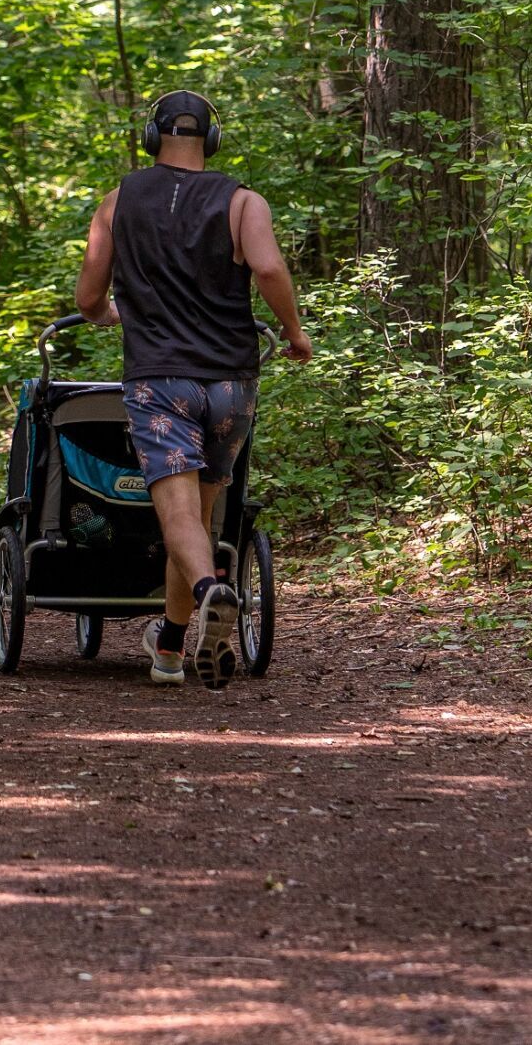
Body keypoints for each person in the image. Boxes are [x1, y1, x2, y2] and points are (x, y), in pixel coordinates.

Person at [72, 90, 311, 690]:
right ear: (213, 138)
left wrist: (107, 316)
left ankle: (211, 591)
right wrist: (293, 331)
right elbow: (270, 269)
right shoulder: (243, 202)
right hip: (231, 382)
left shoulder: (117, 202)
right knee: (200, 517)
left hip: (159, 381)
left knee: (176, 512)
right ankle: (172, 649)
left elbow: (87, 299)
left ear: (152, 138)